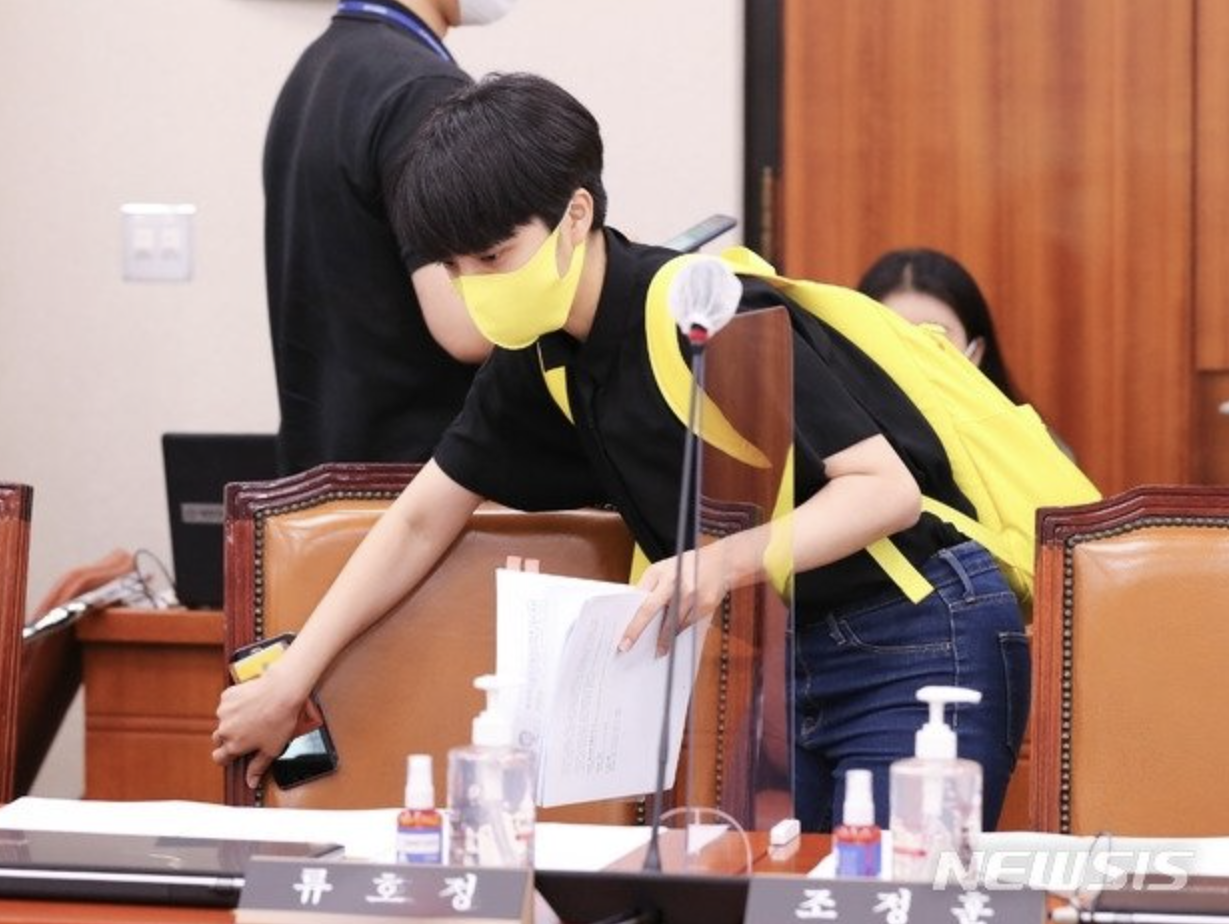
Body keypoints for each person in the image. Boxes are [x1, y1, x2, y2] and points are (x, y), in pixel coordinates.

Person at [213, 73, 1030, 833]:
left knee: (892, 900)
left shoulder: (699, 310)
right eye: (455, 270)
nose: (477, 289)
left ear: (576, 214)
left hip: (922, 628)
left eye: (493, 257)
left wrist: (716, 564)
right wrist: (291, 678)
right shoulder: (536, 360)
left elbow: (883, 490)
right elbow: (421, 519)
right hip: (797, 654)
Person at [264, 0, 515, 475]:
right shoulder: (424, 91)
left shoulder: (318, 67)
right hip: (411, 482)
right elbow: (468, 327)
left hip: (324, 476)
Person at [857, 248, 1074, 458]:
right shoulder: (844, 448)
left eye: (936, 335)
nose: (915, 353)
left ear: (975, 353)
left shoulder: (1037, 451)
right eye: (893, 335)